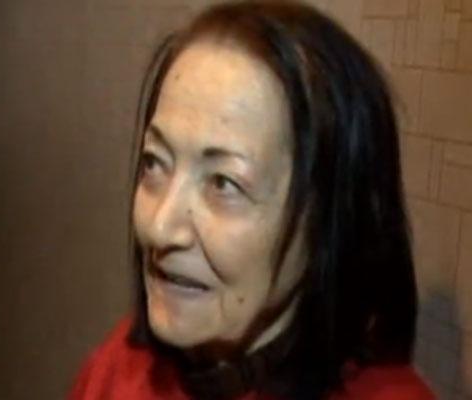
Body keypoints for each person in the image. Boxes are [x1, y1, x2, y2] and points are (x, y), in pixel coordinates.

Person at [70, 1, 435, 399]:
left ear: (331, 219)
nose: (159, 228)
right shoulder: (118, 369)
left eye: (223, 183)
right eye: (155, 163)